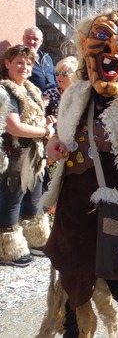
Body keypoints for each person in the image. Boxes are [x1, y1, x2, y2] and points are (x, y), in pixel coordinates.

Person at [38, 10, 118, 337]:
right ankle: (73, 332)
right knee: (71, 270)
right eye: (102, 43)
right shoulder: (76, 92)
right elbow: (62, 136)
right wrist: (55, 145)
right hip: (72, 203)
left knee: (116, 274)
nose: (113, 53)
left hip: (111, 203)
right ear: (86, 46)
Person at [0, 45, 54, 267]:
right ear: (7, 64)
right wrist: (45, 132)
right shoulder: (6, 91)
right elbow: (13, 127)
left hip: (35, 152)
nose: (24, 67)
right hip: (16, 152)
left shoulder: (30, 89)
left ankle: (35, 239)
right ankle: (8, 249)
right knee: (13, 198)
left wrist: (46, 125)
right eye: (19, 62)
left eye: (28, 63)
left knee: (35, 197)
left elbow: (32, 120)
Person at [23, 27, 58, 97]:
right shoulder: (19, 58)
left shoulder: (46, 57)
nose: (31, 42)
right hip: (34, 101)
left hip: (53, 99)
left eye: (35, 39)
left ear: (41, 41)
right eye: (28, 38)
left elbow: (54, 76)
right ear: (23, 38)